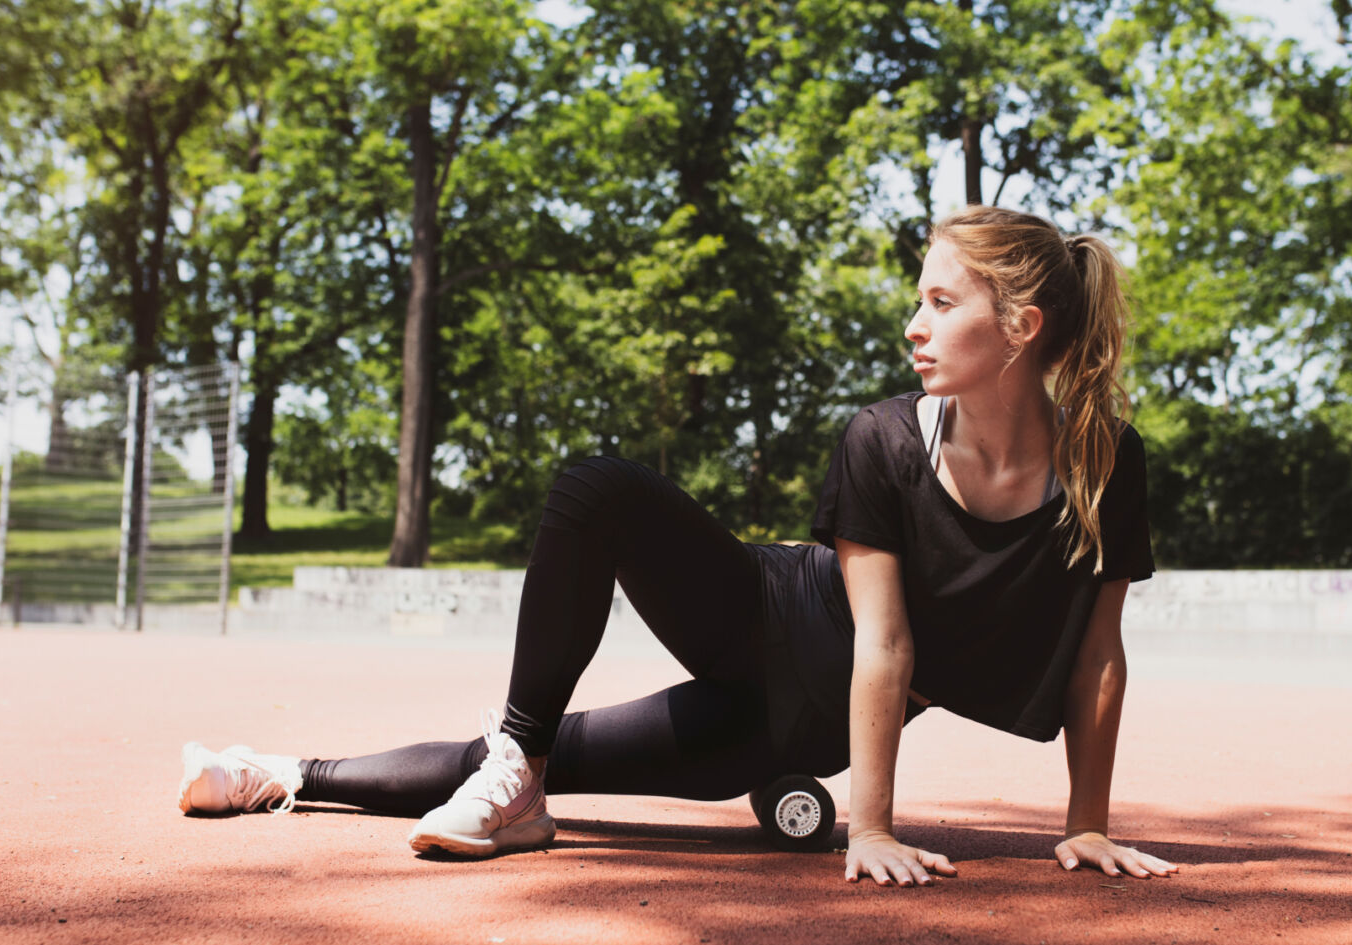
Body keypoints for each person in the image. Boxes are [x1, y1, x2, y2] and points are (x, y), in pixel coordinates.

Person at [177, 205, 1179, 886]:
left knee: (556, 760)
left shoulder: (1103, 464)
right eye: (918, 298)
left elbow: (1098, 655)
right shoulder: (882, 438)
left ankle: (291, 771)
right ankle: (376, 765)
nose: (913, 324)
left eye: (941, 303)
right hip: (764, 614)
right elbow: (883, 641)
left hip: (796, 733)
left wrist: (1086, 822)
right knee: (593, 492)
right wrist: (871, 828)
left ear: (1021, 326)